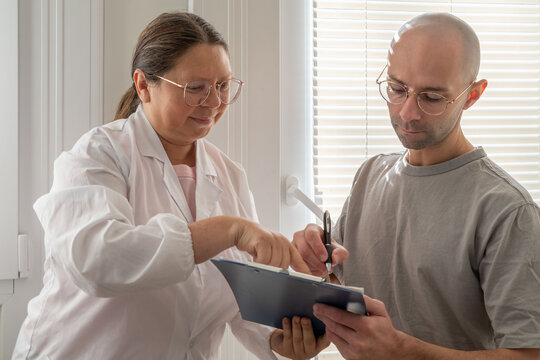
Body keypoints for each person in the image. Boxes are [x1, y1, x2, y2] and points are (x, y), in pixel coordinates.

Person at [12, 12, 329, 360]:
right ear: (144, 85)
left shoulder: (229, 176)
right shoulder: (97, 156)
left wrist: (281, 339)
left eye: (223, 86)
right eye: (196, 88)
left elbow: (239, 299)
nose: (214, 103)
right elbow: (98, 261)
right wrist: (227, 229)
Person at [293, 12, 540, 360]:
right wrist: (315, 277)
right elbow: (352, 303)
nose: (408, 112)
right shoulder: (369, 176)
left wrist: (402, 350)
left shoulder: (505, 209)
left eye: (432, 98)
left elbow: (528, 355)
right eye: (397, 89)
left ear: (472, 95)